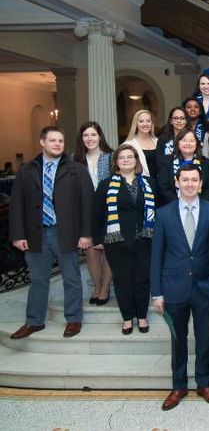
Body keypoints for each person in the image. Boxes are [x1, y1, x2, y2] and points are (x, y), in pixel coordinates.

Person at [9, 126, 94, 340]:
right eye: (53, 140)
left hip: (66, 233)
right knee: (38, 280)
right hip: (36, 235)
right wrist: (18, 235)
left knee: (71, 278)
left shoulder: (76, 169)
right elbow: (17, 205)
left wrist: (86, 234)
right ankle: (34, 322)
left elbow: (87, 204)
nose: (57, 144)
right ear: (42, 142)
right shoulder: (27, 170)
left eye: (61, 141)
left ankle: (74, 319)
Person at [149, 163, 209, 410]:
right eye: (185, 180)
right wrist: (156, 292)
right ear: (177, 182)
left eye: (194, 180)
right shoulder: (164, 213)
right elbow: (156, 255)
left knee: (203, 337)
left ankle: (203, 382)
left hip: (204, 287)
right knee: (178, 339)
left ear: (201, 184)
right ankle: (178, 385)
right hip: (173, 287)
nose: (190, 184)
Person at [73, 121, 113, 306]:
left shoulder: (111, 157)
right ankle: (97, 286)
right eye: (86, 135)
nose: (90, 139)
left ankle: (105, 288)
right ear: (81, 139)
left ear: (100, 137)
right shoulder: (74, 159)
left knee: (109, 250)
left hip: (108, 209)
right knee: (90, 250)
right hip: (84, 211)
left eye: (93, 135)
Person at [157, 128, 209, 204]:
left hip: (200, 207)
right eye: (184, 140)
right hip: (173, 206)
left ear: (197, 143)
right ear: (178, 142)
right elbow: (164, 188)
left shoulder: (206, 163)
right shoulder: (166, 161)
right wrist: (180, 205)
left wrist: (198, 205)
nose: (188, 144)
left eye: (191, 141)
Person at [123, 109, 159, 178]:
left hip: (160, 184)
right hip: (141, 184)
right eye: (141, 121)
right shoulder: (128, 145)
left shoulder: (159, 142)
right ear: (136, 124)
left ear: (152, 123)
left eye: (148, 121)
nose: (145, 124)